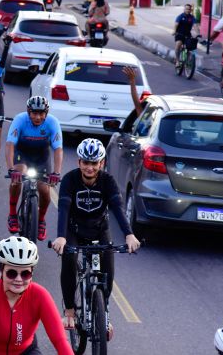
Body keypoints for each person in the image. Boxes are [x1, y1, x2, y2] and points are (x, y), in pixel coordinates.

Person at [51, 138, 141, 338]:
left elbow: (117, 208)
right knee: (69, 261)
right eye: (86, 162)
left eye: (94, 163)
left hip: (100, 230)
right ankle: (69, 312)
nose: (90, 167)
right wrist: (61, 237)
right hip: (73, 230)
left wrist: (129, 234)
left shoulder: (107, 181)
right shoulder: (69, 180)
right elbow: (63, 208)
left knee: (107, 269)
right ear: (79, 162)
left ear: (101, 163)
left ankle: (104, 313)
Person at [4, 96, 63, 240]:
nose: (37, 117)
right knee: (18, 176)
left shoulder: (52, 122)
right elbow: (10, 145)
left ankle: (41, 220)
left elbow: (58, 149)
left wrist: (56, 172)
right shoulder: (19, 120)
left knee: (44, 189)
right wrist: (11, 169)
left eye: (41, 113)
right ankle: (12, 214)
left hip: (41, 157)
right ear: (28, 112)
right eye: (34, 113)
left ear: (46, 113)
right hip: (22, 154)